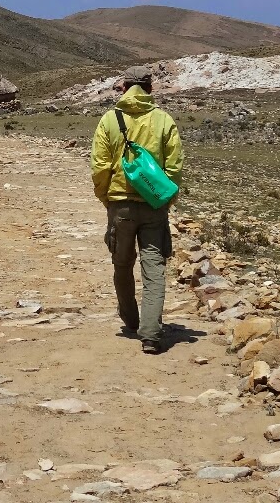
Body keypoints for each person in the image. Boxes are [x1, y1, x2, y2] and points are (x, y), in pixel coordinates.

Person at [91, 66, 183, 355]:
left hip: (120, 204)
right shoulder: (164, 120)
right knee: (154, 268)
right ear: (150, 89)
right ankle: (151, 334)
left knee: (122, 263)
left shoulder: (109, 120)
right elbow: (174, 167)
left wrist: (105, 197)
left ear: (124, 87)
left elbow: (100, 166)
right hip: (154, 205)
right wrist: (166, 200)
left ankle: (131, 320)